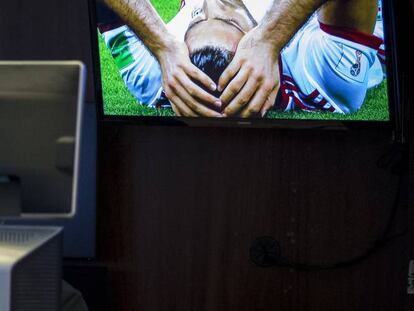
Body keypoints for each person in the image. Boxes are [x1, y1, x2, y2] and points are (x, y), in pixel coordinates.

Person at [100, 0, 385, 117]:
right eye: (232, 21)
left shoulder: (152, 76)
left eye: (196, 18)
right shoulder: (321, 74)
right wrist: (270, 38)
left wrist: (161, 46)